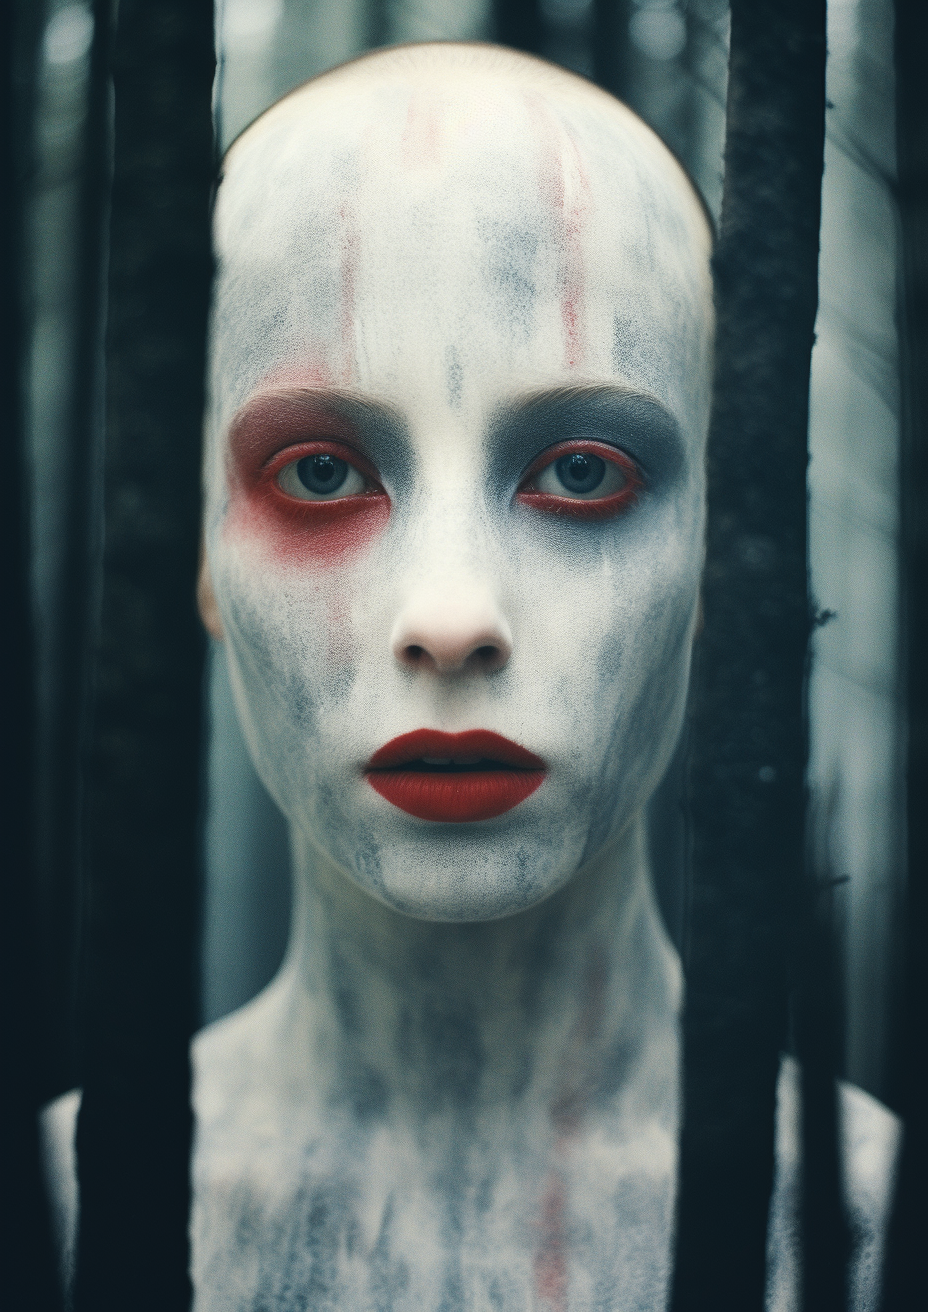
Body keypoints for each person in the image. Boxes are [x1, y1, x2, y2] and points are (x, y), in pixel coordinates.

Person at [44, 41, 898, 1311]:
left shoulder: (872, 1226)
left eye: (581, 471)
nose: (451, 618)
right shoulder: (50, 1210)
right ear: (205, 552)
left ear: (720, 551)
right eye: (321, 472)